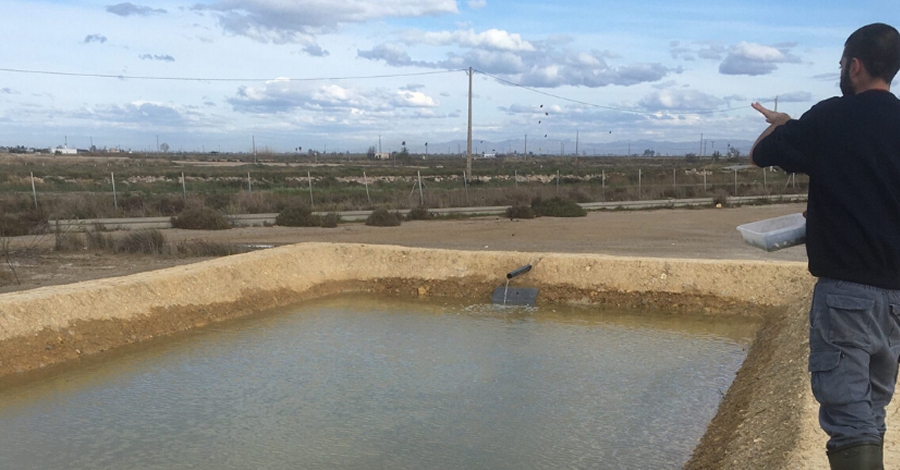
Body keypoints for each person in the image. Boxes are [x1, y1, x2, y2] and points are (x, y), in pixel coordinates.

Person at [749, 23, 900, 470]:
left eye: (840, 64)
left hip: (846, 298)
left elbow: (759, 155)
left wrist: (783, 124)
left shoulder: (831, 116)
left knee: (851, 422)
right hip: (896, 303)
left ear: (854, 66)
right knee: (870, 415)